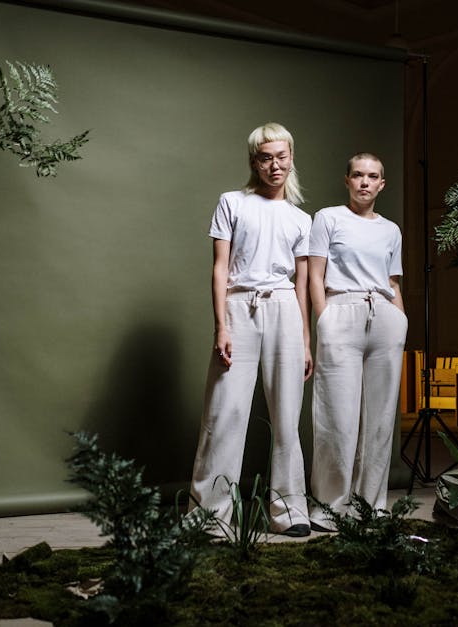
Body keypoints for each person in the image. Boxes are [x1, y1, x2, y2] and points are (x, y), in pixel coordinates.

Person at [189, 123, 313, 537]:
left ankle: (290, 511)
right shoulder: (232, 203)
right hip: (240, 306)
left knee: (287, 417)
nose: (274, 165)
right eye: (266, 158)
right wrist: (220, 326)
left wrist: (305, 341)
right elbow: (219, 268)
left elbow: (301, 284)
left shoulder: (301, 218)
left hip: (285, 309)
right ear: (254, 162)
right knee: (225, 412)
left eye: (281, 157)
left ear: (291, 159)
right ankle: (210, 516)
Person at [308, 153, 407, 531]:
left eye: (372, 176)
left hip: (384, 316)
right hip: (341, 312)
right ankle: (329, 508)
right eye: (358, 175)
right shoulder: (328, 218)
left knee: (381, 420)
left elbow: (393, 282)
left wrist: (401, 321)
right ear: (347, 180)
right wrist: (324, 319)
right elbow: (315, 275)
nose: (365, 182)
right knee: (337, 417)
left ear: (382, 184)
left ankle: (371, 506)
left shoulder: (391, 230)